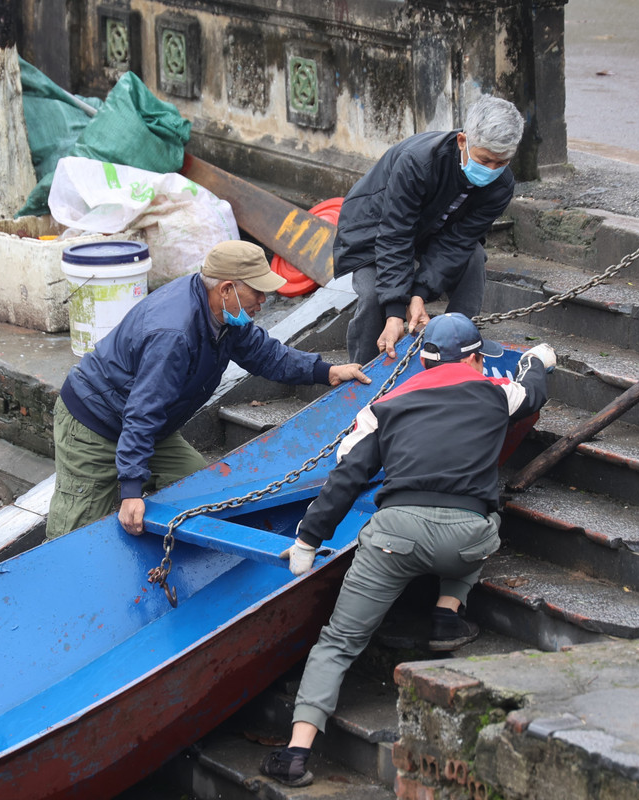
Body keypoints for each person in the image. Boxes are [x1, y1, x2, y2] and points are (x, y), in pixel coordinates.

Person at [260, 313, 554, 787]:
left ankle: (295, 755)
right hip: (466, 537)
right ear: (476, 358)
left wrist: (308, 539)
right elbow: (535, 391)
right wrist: (538, 360)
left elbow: (347, 476)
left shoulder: (387, 405)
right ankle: (447, 610)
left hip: (393, 539)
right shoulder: (497, 392)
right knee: (492, 516)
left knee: (337, 643)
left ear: (422, 359)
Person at [47, 240, 370, 540]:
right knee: (76, 530)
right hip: (94, 424)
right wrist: (131, 490)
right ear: (227, 288)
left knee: (198, 489)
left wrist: (326, 370)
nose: (264, 301)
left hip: (150, 423)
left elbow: (265, 355)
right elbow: (143, 410)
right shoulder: (174, 332)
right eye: (258, 292)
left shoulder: (224, 315)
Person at [333, 95, 525, 365]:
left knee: (473, 258)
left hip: (432, 232)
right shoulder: (418, 162)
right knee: (374, 294)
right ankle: (363, 371)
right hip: (373, 229)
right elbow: (395, 234)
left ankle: (458, 346)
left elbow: (458, 241)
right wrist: (395, 312)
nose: (491, 170)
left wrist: (420, 294)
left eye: (501, 162)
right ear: (463, 141)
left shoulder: (502, 185)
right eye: (484, 161)